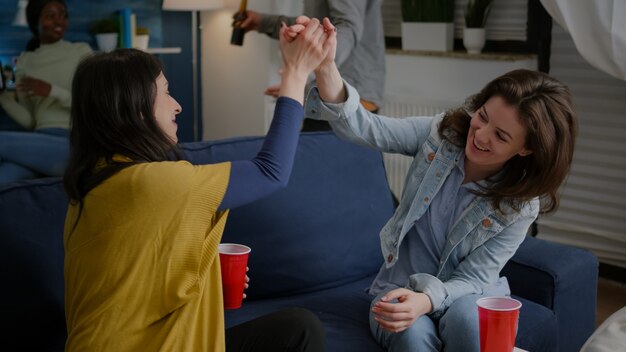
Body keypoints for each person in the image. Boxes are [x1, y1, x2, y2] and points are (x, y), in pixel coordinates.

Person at [299, 18, 578, 352]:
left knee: (466, 320)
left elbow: (474, 279)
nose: (481, 135)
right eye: (484, 116)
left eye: (501, 136)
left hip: (467, 295)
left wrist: (427, 300)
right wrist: (327, 66)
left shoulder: (520, 205)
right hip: (399, 288)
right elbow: (367, 128)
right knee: (410, 335)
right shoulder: (440, 135)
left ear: (526, 149)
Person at [62, 18, 334, 352]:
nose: (176, 104)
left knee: (298, 329)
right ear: (132, 108)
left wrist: (205, 276)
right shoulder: (153, 183)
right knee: (302, 330)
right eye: (164, 92)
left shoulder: (93, 183)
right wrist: (295, 72)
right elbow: (271, 171)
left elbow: (136, 276)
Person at [235, 0, 385, 130]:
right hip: (331, 98)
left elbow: (347, 27)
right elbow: (320, 26)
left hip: (346, 98)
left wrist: (302, 75)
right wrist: (262, 22)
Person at [0, 0, 92, 183]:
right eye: (50, 16)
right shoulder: (26, 61)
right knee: (4, 178)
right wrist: (2, 96)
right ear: (36, 22)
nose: (59, 21)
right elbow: (30, 121)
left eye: (63, 15)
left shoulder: (81, 52)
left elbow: (94, 104)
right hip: (40, 142)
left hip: (74, 143)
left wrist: (51, 91)